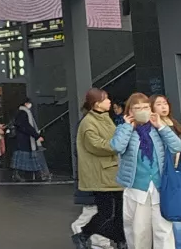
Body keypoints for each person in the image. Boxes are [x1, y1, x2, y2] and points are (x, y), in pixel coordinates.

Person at [111, 93, 181, 249]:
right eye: (136, 108)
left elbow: (177, 146)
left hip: (160, 187)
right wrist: (126, 127)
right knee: (139, 233)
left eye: (145, 107)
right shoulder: (125, 129)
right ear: (129, 111)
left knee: (163, 231)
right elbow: (117, 147)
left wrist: (161, 127)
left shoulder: (157, 129)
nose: (142, 110)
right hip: (137, 188)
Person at [73, 88, 126, 249]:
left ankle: (120, 241)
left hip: (111, 172)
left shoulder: (104, 118)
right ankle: (83, 234)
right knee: (106, 212)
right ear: (96, 104)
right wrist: (116, 145)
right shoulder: (88, 122)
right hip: (100, 174)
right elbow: (96, 145)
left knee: (119, 213)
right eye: (106, 99)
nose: (110, 101)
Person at [151, 94, 181, 249]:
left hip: (177, 173)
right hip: (163, 174)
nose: (164, 107)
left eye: (165, 103)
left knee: (172, 213)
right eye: (159, 104)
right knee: (170, 215)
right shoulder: (152, 128)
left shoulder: (173, 124)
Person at [12, 97, 50, 181]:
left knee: (24, 159)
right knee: (27, 158)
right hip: (25, 140)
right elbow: (26, 126)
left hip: (23, 140)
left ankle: (36, 175)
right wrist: (36, 135)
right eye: (29, 103)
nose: (30, 105)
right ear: (25, 103)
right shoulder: (24, 113)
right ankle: (37, 175)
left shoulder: (21, 112)